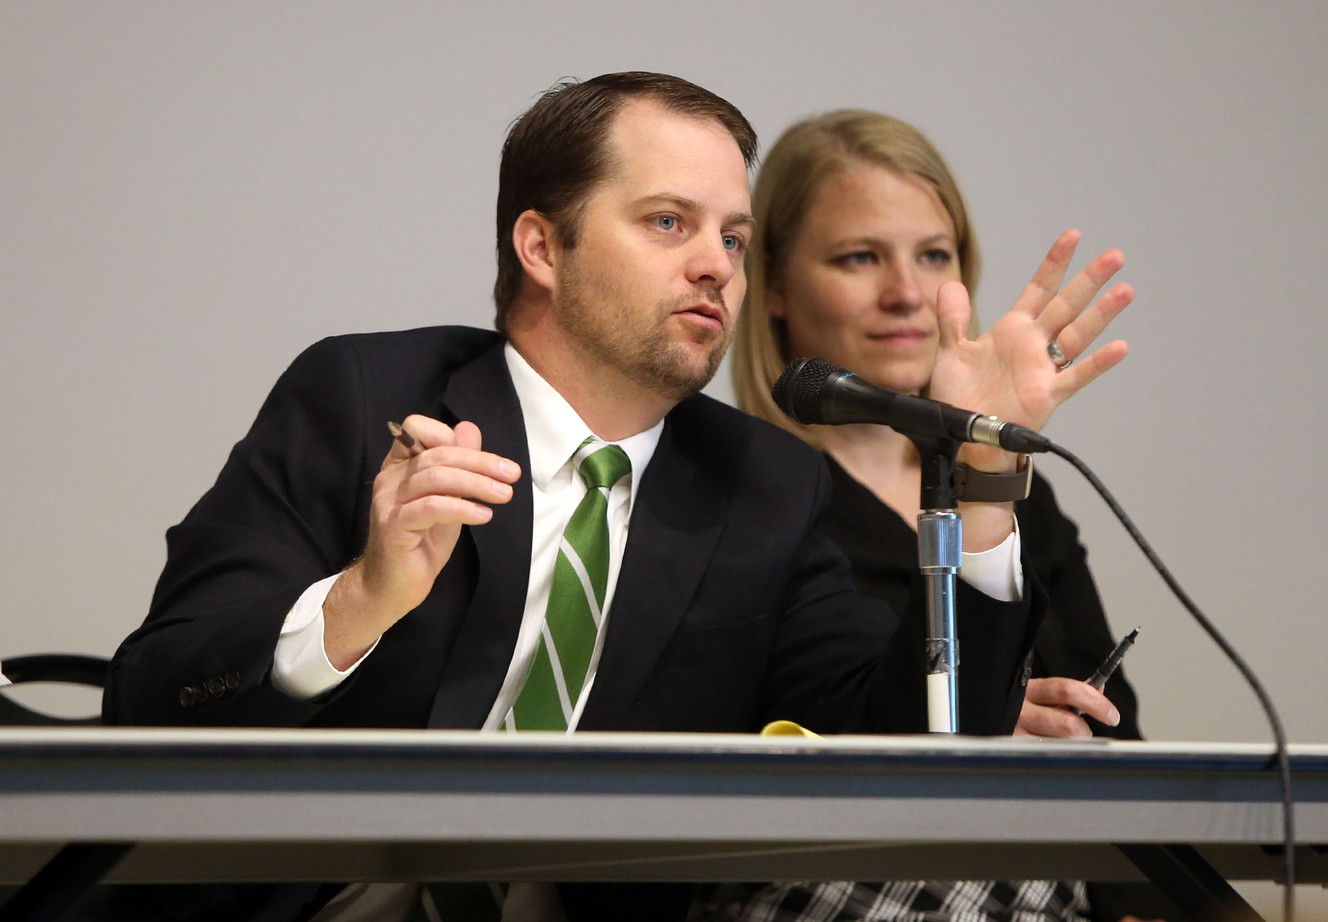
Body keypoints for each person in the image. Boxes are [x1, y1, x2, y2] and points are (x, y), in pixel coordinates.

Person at [102, 76, 1127, 922]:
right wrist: (356, 602)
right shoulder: (365, 395)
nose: (712, 266)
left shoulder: (761, 482)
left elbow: (894, 752)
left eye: (730, 236)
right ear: (541, 247)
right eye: (668, 222)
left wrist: (985, 485)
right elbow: (154, 692)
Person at [692, 110, 1172, 922]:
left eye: (933, 256)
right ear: (772, 284)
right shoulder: (720, 485)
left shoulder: (1019, 491)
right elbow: (728, 740)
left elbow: (1117, 727)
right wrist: (974, 713)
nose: (906, 294)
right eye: (859, 257)